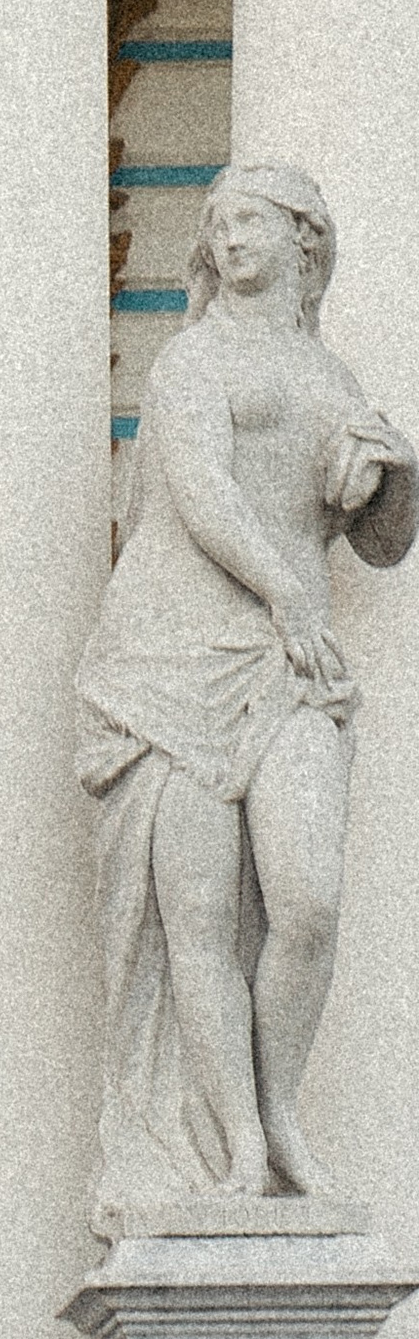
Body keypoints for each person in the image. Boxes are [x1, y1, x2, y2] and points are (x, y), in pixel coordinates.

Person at [78, 163, 415, 1206]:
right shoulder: (192, 358)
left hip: (287, 661)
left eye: (251, 221)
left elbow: (380, 544)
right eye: (218, 223)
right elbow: (201, 490)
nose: (229, 238)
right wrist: (286, 595)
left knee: (306, 899)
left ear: (303, 240)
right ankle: (237, 1147)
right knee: (199, 916)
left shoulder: (330, 376)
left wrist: (396, 480)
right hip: (173, 654)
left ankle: (280, 1116)